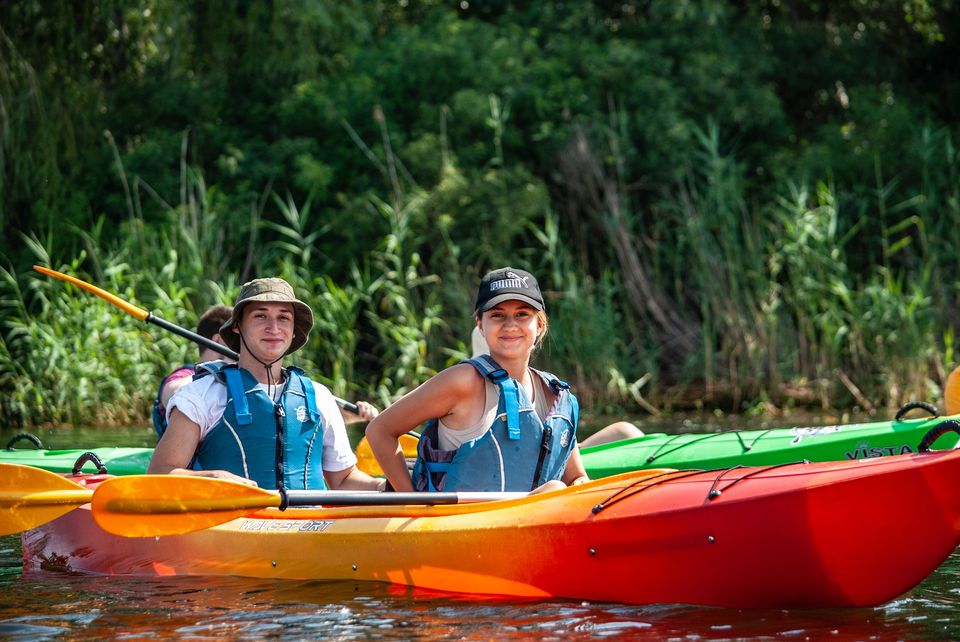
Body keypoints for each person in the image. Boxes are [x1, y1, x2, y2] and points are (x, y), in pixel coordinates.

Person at [366, 267, 589, 493]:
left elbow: (577, 477)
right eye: (497, 315)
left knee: (557, 488)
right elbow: (379, 431)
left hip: (530, 519)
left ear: (539, 324)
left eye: (522, 314)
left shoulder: (557, 396)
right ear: (481, 325)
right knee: (554, 488)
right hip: (456, 522)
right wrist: (413, 505)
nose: (510, 325)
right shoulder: (462, 381)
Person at [148, 277, 383, 491]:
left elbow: (343, 480)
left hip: (310, 529)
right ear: (237, 325)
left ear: (293, 330)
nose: (274, 328)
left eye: (284, 317)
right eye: (261, 316)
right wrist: (212, 477)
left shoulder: (319, 396)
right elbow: (159, 474)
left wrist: (387, 486)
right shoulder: (202, 395)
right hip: (232, 528)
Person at [153, 305, 378, 438]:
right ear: (219, 340)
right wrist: (216, 381)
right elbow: (175, 392)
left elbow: (279, 418)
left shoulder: (251, 380)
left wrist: (348, 416)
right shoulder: (188, 379)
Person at [468, 325, 643, 448]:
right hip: (525, 472)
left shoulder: (543, 387)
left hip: (550, 459)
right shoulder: (471, 390)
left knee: (626, 431)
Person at [152, 305, 233, 438]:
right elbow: (172, 391)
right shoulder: (185, 374)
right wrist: (221, 371)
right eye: (236, 337)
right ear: (218, 340)